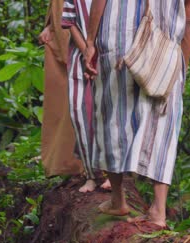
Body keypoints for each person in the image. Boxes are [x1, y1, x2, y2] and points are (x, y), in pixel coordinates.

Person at [84, 0, 190, 227]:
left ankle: (118, 198)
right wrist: (182, 63)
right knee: (162, 123)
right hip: (165, 50)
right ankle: (158, 210)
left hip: (119, 41)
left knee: (112, 116)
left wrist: (90, 42)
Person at [61, 0, 111, 193]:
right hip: (78, 57)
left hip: (108, 54)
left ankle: (110, 174)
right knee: (79, 114)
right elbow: (70, 21)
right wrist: (86, 51)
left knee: (108, 113)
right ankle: (91, 175)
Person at [39, 0, 83, 178]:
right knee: (62, 98)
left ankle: (98, 167)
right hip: (63, 31)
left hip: (92, 32)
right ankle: (66, 163)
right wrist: (50, 25)